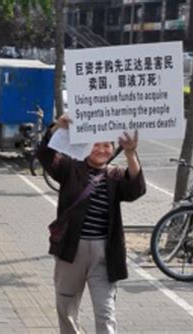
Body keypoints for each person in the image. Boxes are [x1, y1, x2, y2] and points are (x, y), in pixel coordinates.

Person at [37, 114, 146, 334]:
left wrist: (131, 153)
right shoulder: (70, 168)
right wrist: (58, 127)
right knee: (66, 308)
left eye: (107, 145)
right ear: (87, 145)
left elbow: (136, 189)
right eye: (96, 144)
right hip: (71, 250)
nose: (102, 150)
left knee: (106, 312)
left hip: (104, 253)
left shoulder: (115, 175)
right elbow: (45, 154)